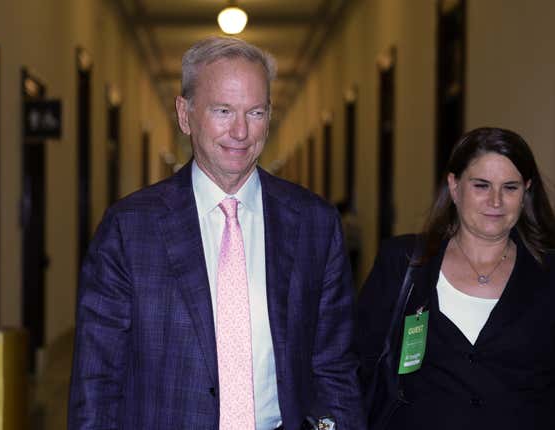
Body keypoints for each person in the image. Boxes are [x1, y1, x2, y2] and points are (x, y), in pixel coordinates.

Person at [68, 36, 365, 430]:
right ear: (185, 113)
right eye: (223, 110)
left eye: (255, 112)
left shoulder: (315, 224)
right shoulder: (129, 229)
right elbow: (96, 380)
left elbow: (335, 367)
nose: (240, 132)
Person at [356, 127, 555, 429]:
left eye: (510, 188)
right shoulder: (403, 263)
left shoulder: (547, 274)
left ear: (526, 191)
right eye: (481, 186)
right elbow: (358, 362)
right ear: (454, 186)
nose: (496, 201)